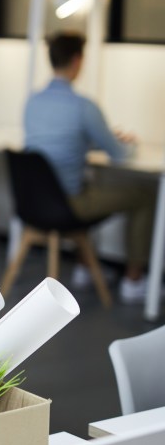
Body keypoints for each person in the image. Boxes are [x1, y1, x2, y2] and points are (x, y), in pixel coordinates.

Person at [24, 31, 155, 304]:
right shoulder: (83, 107)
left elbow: (59, 143)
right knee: (144, 196)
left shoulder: (33, 102)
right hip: (69, 203)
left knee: (91, 185)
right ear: (77, 61)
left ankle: (86, 268)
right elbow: (119, 155)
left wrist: (91, 142)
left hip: (35, 202)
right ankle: (134, 281)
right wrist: (128, 142)